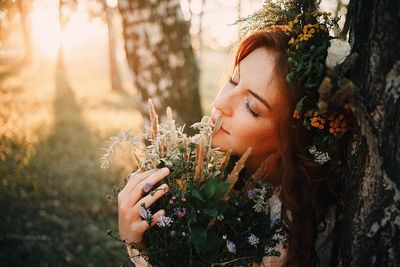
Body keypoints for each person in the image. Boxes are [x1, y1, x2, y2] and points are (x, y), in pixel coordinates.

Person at [118, 25, 344, 267]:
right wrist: (137, 237)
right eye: (233, 80)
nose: (221, 102)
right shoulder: (202, 171)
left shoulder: (288, 235)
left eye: (251, 107)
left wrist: (141, 255)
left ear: (292, 137)